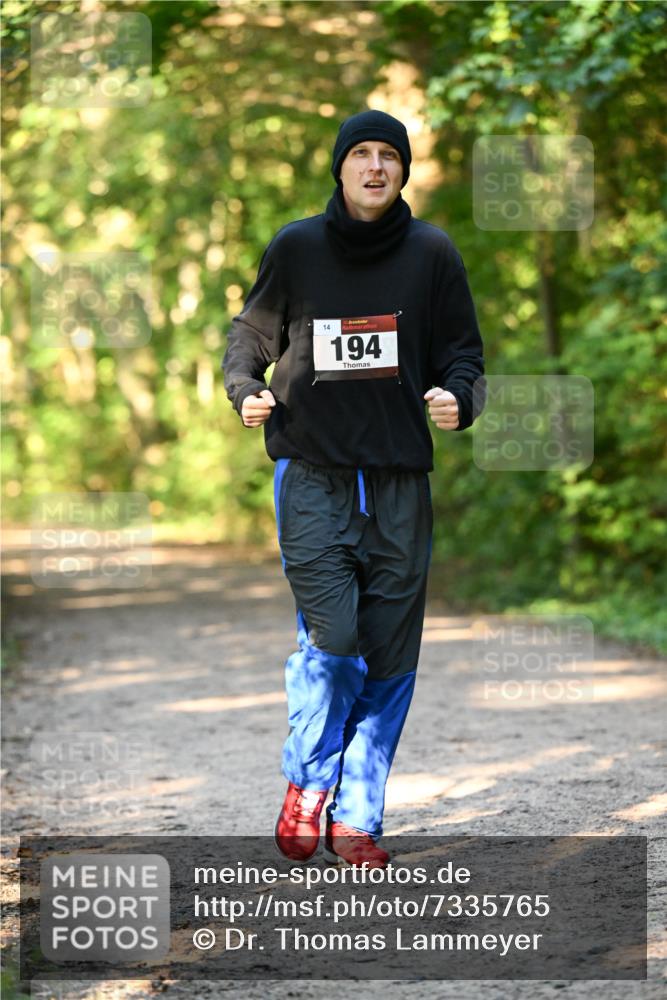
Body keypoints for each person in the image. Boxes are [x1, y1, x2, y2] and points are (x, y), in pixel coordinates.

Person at [223, 109, 484, 868]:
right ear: (339, 168)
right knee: (333, 642)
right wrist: (244, 386)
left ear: (403, 170)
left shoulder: (432, 252)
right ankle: (307, 783)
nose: (375, 167)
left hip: (400, 483)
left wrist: (459, 399)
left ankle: (358, 818)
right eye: (361, 155)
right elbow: (251, 336)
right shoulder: (297, 247)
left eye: (388, 156)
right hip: (311, 475)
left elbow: (463, 355)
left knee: (392, 658)